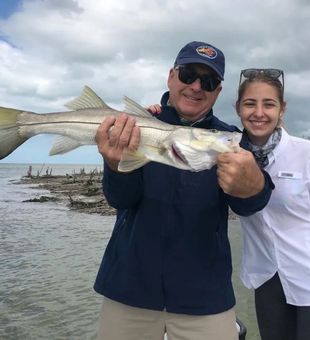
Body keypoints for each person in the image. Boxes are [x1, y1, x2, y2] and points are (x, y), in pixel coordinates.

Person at [94, 41, 274, 340]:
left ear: (217, 91)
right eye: (188, 74)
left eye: (209, 81)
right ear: (171, 76)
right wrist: (114, 165)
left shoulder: (228, 139)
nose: (196, 86)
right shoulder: (137, 126)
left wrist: (255, 186)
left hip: (205, 297)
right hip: (128, 288)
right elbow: (120, 200)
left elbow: (248, 205)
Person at [235, 68, 310, 340]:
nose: (259, 112)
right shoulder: (229, 152)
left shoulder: (305, 153)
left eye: (269, 104)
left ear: (282, 109)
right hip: (266, 277)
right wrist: (159, 112)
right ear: (238, 108)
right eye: (250, 103)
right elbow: (185, 140)